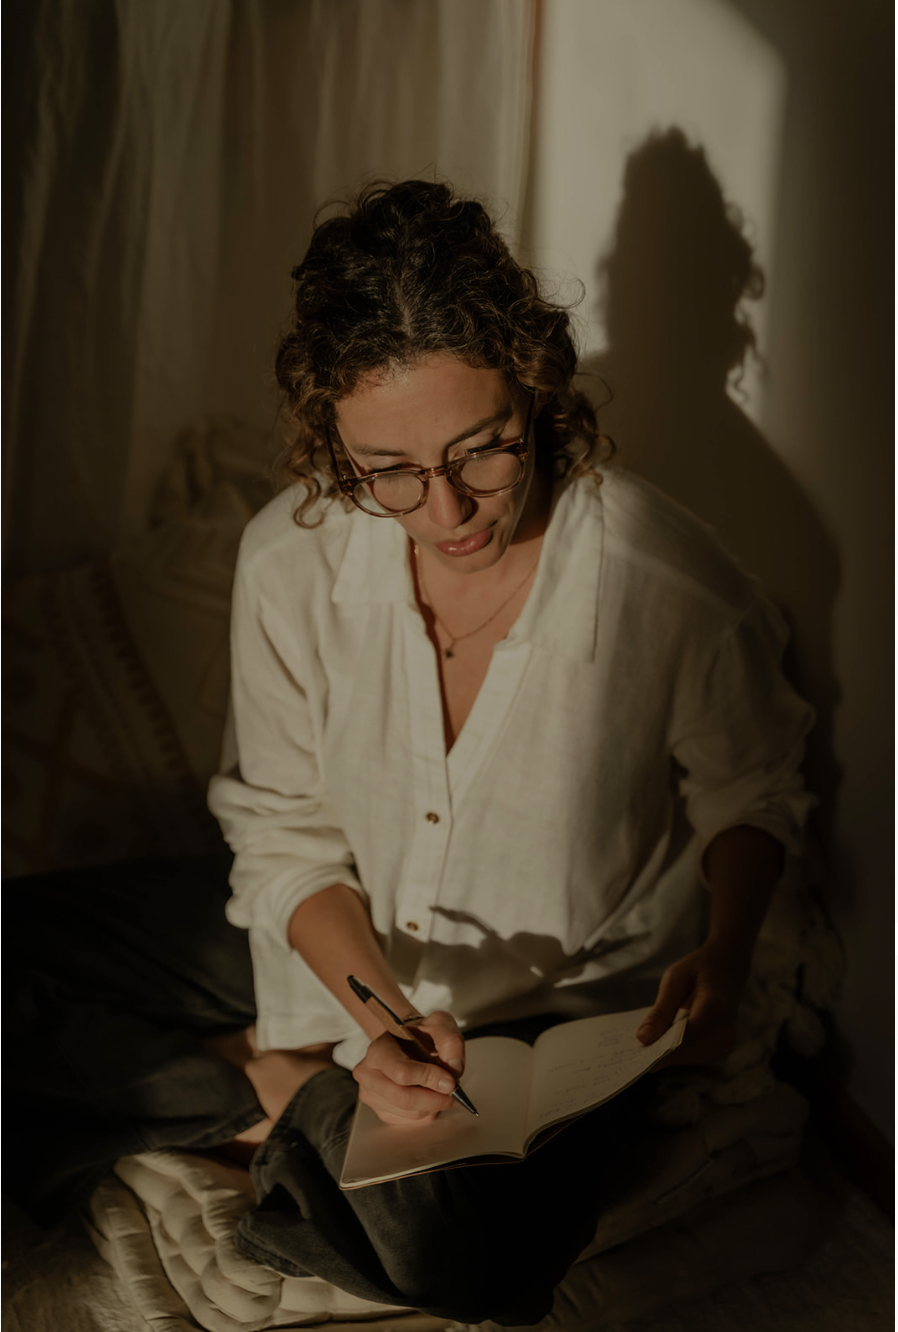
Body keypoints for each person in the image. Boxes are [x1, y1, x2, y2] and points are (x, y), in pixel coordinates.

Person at [6, 179, 814, 1325]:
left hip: (543, 1014)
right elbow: (282, 832)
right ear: (333, 443)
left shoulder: (672, 584)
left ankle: (247, 1100)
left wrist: (725, 960)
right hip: (338, 935)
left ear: (532, 389)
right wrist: (372, 1025)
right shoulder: (289, 561)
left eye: (481, 450)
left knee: (473, 1260)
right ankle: (266, 1088)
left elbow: (755, 793)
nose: (446, 509)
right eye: (388, 470)